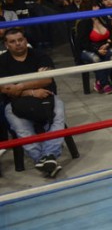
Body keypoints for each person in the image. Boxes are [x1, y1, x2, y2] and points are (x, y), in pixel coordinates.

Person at [0, 28, 67, 178]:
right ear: (6, 45)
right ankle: (45, 159)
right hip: (16, 103)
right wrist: (31, 91)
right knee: (20, 125)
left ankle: (47, 156)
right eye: (13, 41)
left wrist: (20, 86)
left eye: (20, 40)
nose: (18, 44)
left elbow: (46, 79)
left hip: (46, 97)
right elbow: (4, 88)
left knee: (59, 112)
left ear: (26, 40)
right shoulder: (2, 61)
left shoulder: (39, 55)